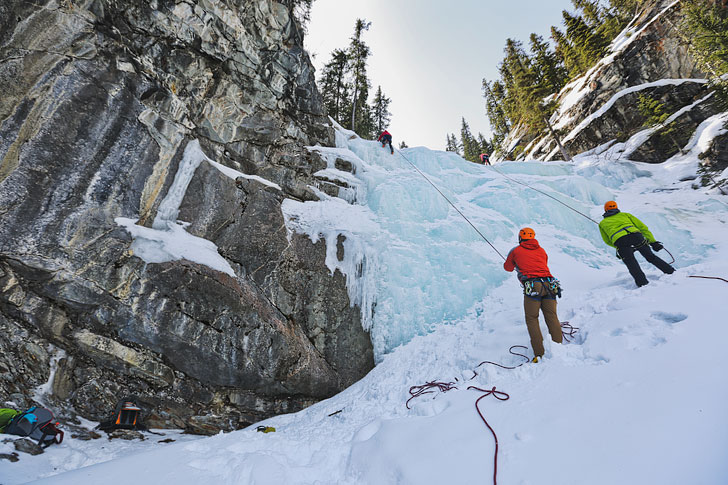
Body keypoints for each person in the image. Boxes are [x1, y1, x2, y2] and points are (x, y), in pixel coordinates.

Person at [503, 227, 563, 362]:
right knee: (552, 317)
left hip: (533, 286)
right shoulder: (541, 250)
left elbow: (508, 268)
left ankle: (539, 354)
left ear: (520, 238)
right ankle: (559, 348)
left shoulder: (516, 250)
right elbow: (544, 263)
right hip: (549, 284)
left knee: (532, 318)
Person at [598, 201, 675, 287]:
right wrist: (652, 242)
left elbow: (607, 241)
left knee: (631, 263)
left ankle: (643, 284)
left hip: (621, 241)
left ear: (605, 209)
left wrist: (619, 246)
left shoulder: (602, 223)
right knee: (650, 257)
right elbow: (643, 228)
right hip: (636, 236)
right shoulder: (626, 215)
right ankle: (670, 272)